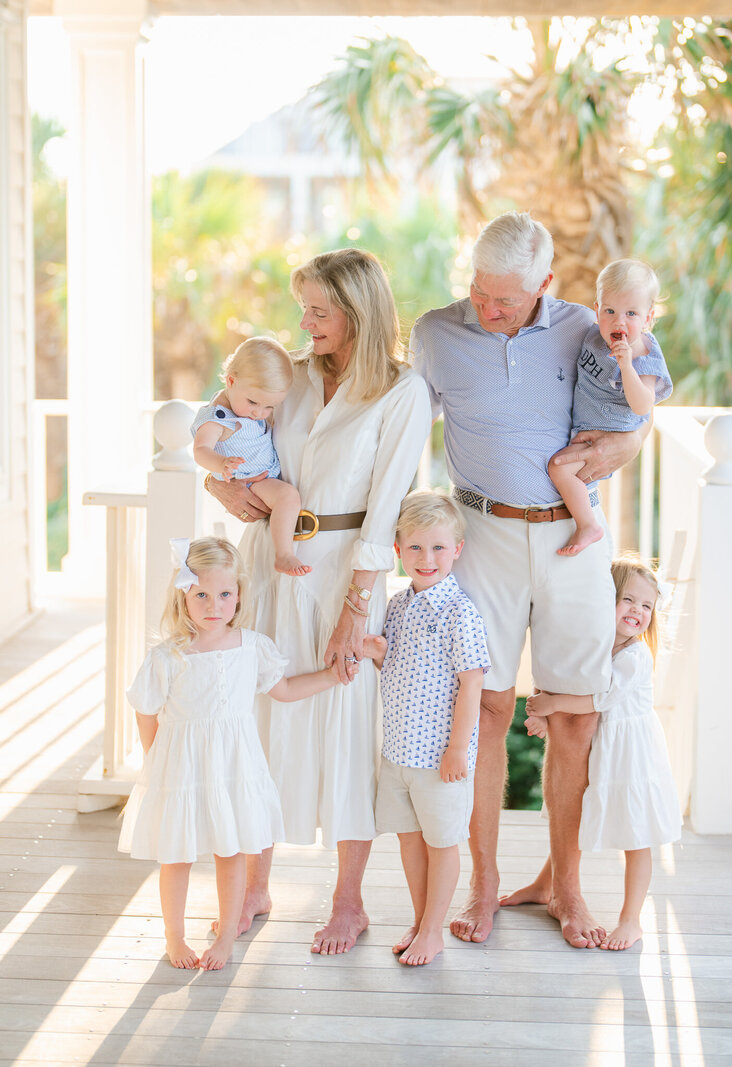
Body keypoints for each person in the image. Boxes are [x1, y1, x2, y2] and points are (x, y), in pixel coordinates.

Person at [410, 211, 649, 949]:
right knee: (480, 708)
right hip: (480, 532)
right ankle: (483, 883)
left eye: (507, 299)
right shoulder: (435, 333)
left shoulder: (585, 325)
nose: (488, 308)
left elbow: (638, 407)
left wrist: (633, 440)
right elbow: (391, 431)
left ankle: (564, 885)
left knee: (575, 714)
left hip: (572, 538)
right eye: (480, 291)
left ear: (546, 284)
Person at [203, 248, 431, 954]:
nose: (304, 322)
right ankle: (256, 886)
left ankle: (348, 901)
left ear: (358, 312)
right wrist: (222, 487)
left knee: (347, 727)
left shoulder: (401, 393)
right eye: (303, 307)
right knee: (260, 720)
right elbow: (230, 436)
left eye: (318, 310)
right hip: (271, 566)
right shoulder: (290, 378)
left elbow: (387, 506)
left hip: (343, 574)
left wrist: (356, 609)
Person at [118, 537, 352, 970]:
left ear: (239, 595)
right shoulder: (168, 656)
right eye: (201, 594)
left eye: (224, 594)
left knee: (231, 852)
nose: (214, 605)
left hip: (234, 766)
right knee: (178, 855)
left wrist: (334, 676)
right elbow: (145, 711)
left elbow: (283, 690)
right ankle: (175, 936)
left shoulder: (252, 646)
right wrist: (155, 764)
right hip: (181, 769)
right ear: (183, 595)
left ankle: (226, 936)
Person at [522, 555, 682, 950]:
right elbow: (575, 686)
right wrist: (548, 716)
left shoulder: (634, 655)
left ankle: (631, 920)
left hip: (630, 755)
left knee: (636, 836)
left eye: (646, 606)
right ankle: (546, 886)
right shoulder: (595, 647)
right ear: (602, 599)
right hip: (601, 749)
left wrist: (552, 705)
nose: (638, 612)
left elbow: (598, 699)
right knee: (576, 814)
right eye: (628, 600)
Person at [363, 491, 490, 966]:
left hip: (440, 758)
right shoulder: (398, 605)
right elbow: (394, 664)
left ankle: (433, 930)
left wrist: (459, 748)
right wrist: (377, 651)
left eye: (438, 547)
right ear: (398, 551)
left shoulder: (460, 612)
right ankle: (421, 921)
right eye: (415, 548)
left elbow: (472, 681)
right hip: (398, 753)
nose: (427, 558)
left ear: (457, 549)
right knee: (410, 840)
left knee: (442, 842)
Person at [548, 260, 672, 557]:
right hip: (585, 426)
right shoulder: (593, 335)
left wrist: (626, 365)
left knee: (559, 469)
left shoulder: (644, 356)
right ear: (597, 308)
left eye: (631, 313)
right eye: (610, 311)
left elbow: (642, 403)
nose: (619, 322)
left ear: (648, 318)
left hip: (608, 433)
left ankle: (588, 525)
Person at [191, 337, 310, 577]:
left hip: (265, 473)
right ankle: (284, 554)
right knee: (288, 496)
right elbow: (200, 450)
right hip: (251, 480)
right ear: (231, 381)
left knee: (287, 497)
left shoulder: (247, 408)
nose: (259, 413)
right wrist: (221, 463)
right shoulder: (219, 418)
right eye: (253, 402)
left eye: (269, 407)